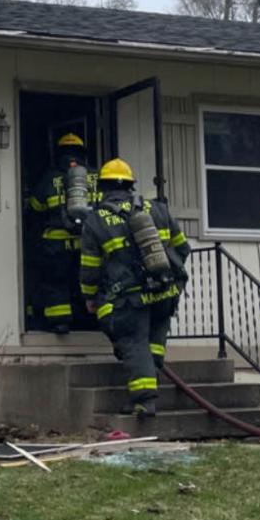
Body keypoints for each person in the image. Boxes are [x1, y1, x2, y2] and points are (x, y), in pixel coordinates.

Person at [80, 159, 190, 419]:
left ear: (102, 187)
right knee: (152, 342)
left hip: (129, 299)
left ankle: (145, 401)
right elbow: (183, 248)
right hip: (166, 292)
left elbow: (90, 267)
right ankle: (151, 371)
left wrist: (89, 296)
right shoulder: (158, 209)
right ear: (130, 185)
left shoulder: (96, 220)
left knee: (132, 343)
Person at [27, 133, 98, 334]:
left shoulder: (50, 178)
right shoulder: (95, 177)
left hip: (56, 245)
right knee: (87, 284)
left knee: (55, 284)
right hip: (88, 245)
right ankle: (91, 321)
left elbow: (35, 207)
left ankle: (60, 322)